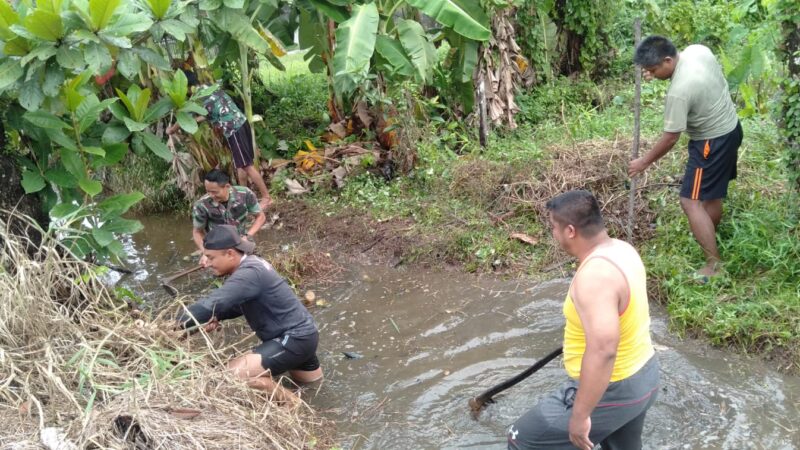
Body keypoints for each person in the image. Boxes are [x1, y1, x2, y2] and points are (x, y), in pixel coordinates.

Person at [508, 190, 659, 450]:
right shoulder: (623, 249)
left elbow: (603, 350)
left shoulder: (595, 276)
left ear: (570, 231)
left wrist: (580, 416)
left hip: (615, 388)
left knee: (522, 440)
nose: (553, 234)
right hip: (645, 376)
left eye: (554, 228)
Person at [628, 36, 743, 281]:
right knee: (710, 193)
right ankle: (710, 234)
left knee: (690, 201)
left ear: (668, 60)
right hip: (732, 128)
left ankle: (713, 265)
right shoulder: (697, 51)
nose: (651, 75)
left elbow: (670, 138)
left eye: (653, 70)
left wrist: (643, 162)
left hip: (710, 143)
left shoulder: (679, 91)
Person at [175, 225, 323, 405]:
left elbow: (211, 303)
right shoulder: (252, 265)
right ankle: (309, 405)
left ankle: (292, 403)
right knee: (313, 389)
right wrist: (217, 316)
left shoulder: (249, 273)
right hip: (303, 336)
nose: (207, 263)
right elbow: (238, 306)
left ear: (230, 254)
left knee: (228, 377)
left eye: (211, 257)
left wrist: (173, 326)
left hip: (292, 339)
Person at [167, 73, 272, 210]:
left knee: (247, 166)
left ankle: (266, 198)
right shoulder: (209, 88)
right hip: (242, 123)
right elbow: (210, 113)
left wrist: (171, 130)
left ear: (188, 87)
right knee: (240, 165)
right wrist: (196, 120)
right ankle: (243, 199)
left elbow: (184, 118)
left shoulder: (195, 99)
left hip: (234, 129)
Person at [192, 169, 266, 267]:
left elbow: (260, 217)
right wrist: (206, 253)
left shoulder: (244, 194)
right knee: (220, 276)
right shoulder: (201, 205)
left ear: (227, 186)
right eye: (208, 191)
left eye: (214, 192)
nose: (211, 195)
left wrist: (247, 236)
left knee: (254, 267)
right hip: (217, 247)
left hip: (241, 241)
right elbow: (197, 231)